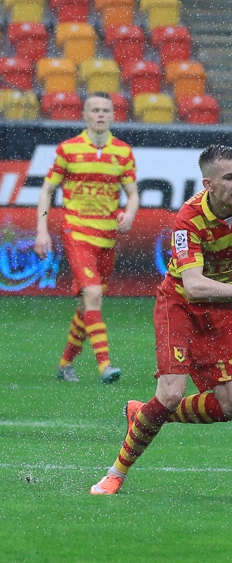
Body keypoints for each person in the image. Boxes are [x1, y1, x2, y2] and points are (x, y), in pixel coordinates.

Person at [90, 145, 232, 495]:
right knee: (171, 393)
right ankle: (116, 473)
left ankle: (145, 414)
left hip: (220, 308)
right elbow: (193, 285)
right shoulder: (189, 220)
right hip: (180, 305)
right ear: (208, 184)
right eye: (230, 177)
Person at [34, 92, 140, 384]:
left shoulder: (122, 152)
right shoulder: (68, 149)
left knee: (87, 303)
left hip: (107, 237)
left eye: (105, 110)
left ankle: (65, 363)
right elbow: (46, 190)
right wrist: (42, 230)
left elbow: (132, 194)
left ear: (113, 115)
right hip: (77, 232)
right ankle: (105, 365)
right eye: (94, 110)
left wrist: (130, 214)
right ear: (85, 115)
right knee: (93, 295)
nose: (100, 114)